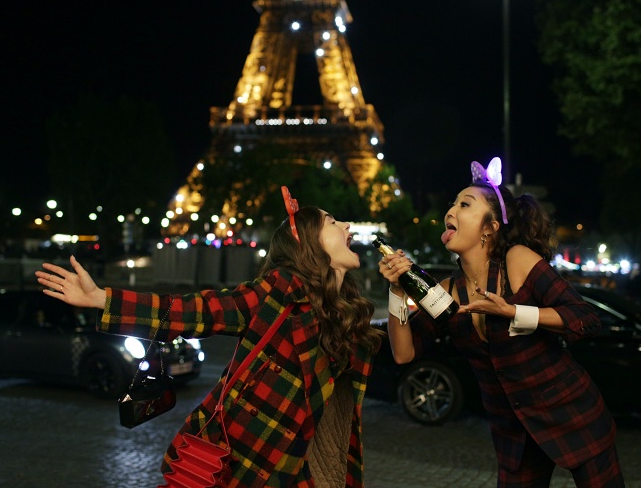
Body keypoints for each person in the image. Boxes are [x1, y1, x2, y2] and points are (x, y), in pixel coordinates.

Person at [36, 186, 382, 488]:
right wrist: (103, 299)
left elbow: (400, 354)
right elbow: (196, 311)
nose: (346, 225)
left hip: (316, 466)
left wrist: (399, 290)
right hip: (250, 463)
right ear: (307, 242)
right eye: (332, 222)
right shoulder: (278, 293)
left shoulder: (346, 312)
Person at [379, 158, 624, 487]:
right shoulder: (447, 291)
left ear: (490, 227)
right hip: (513, 434)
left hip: (572, 414)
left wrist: (514, 312)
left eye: (465, 204)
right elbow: (403, 353)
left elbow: (585, 318)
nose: (451, 210)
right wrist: (397, 290)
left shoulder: (516, 260)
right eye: (453, 203)